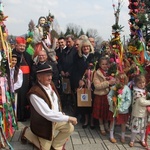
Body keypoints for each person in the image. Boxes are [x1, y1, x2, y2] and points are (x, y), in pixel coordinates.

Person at [21, 63, 77, 150]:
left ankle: (56, 146)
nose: (50, 78)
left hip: (54, 120)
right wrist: (68, 118)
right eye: (47, 75)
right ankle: (27, 133)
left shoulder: (51, 85)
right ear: (39, 77)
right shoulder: (34, 93)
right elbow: (47, 114)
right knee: (45, 148)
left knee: (69, 128)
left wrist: (60, 114)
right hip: (43, 125)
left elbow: (56, 103)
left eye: (51, 75)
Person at [92, 57, 116, 135]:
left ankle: (106, 126)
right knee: (100, 113)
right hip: (100, 95)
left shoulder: (110, 72)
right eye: (103, 64)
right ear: (99, 64)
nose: (105, 66)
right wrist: (108, 83)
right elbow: (97, 86)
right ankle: (101, 127)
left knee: (106, 112)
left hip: (108, 95)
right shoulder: (97, 73)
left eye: (106, 64)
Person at [12, 37, 33, 121]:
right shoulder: (12, 54)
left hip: (26, 79)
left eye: (23, 46)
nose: (22, 48)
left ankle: (24, 115)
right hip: (16, 79)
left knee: (25, 97)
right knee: (18, 97)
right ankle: (17, 115)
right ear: (16, 45)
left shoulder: (27, 55)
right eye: (20, 46)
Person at [107, 73, 131, 143]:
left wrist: (122, 108)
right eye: (116, 79)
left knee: (123, 123)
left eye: (117, 80)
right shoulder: (114, 87)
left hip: (123, 110)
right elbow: (109, 96)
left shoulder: (127, 89)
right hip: (114, 108)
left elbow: (128, 100)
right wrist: (112, 103)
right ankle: (111, 136)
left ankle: (122, 136)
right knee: (112, 121)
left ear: (122, 81)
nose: (116, 81)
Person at [129, 74, 150, 147]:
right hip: (137, 113)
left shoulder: (143, 90)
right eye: (140, 83)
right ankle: (132, 140)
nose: (142, 84)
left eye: (143, 82)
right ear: (136, 83)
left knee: (143, 128)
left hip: (143, 113)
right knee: (135, 127)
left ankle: (142, 139)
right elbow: (142, 102)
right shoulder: (136, 91)